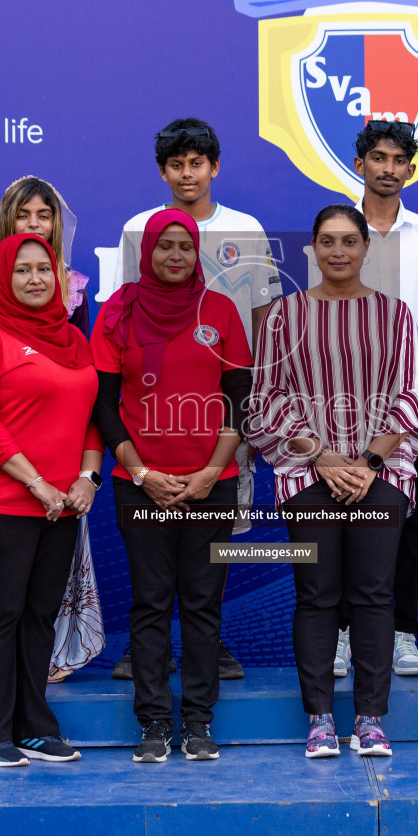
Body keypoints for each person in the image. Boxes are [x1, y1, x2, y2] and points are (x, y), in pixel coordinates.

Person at [249, 205, 418, 759]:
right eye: (327, 241)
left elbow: (412, 394)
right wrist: (328, 458)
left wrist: (367, 463)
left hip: (379, 473)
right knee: (317, 597)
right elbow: (267, 398)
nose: (338, 251)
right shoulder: (284, 317)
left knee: (375, 595)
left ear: (365, 248)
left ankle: (372, 719)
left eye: (349, 241)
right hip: (309, 474)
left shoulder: (396, 315)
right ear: (312, 249)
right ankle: (319, 719)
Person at [108, 117, 279, 681]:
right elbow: (123, 311)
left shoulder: (246, 228)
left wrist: (259, 394)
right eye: (176, 164)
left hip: (225, 405)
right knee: (155, 544)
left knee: (221, 526)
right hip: (152, 406)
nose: (188, 174)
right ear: (163, 171)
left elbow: (264, 317)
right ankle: (146, 645)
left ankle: (212, 637)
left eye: (197, 163)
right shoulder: (140, 227)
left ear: (215, 167)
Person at [94, 209, 253, 763]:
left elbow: (240, 397)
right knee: (152, 601)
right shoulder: (117, 313)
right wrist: (141, 473)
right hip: (142, 486)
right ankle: (155, 724)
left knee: (204, 604)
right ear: (146, 253)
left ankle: (200, 722)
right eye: (165, 246)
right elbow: (105, 405)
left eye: (185, 245)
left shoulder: (221, 310)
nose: (176, 256)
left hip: (213, 482)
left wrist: (212, 470)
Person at [0, 233, 102, 768]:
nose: (35, 279)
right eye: (22, 270)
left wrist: (88, 478)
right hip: (3, 498)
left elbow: (92, 415)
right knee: (2, 613)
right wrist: (36, 483)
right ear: (1, 278)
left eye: (44, 269)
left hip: (63, 502)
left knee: (41, 615)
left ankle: (34, 728)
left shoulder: (73, 339)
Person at [328, 120, 418, 680]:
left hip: (407, 401)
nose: (387, 168)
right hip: (342, 401)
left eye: (398, 159)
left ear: (411, 169)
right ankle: (345, 635)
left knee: (409, 519)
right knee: (341, 516)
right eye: (377, 157)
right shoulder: (335, 229)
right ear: (360, 164)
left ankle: (403, 634)